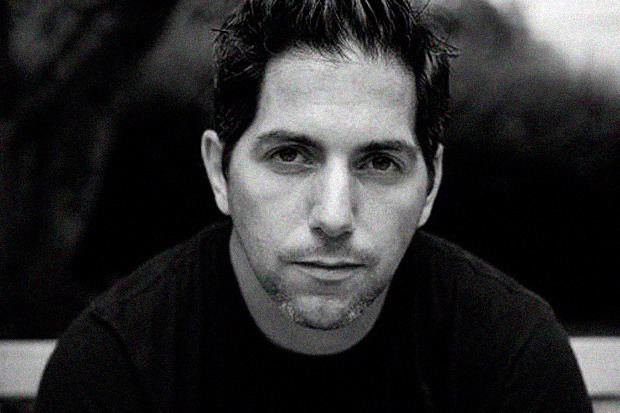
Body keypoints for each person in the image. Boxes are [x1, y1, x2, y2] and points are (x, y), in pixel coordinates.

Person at [35, 0, 592, 411]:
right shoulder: (115, 368)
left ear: (432, 184)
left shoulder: (511, 355)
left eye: (379, 162)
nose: (333, 217)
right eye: (290, 155)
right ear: (219, 171)